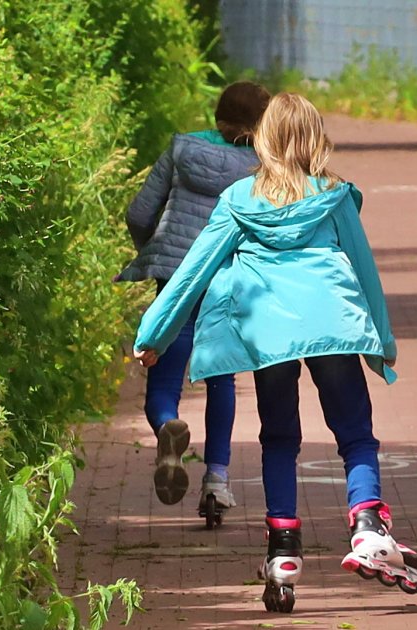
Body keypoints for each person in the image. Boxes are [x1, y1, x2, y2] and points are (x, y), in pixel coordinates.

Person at [131, 93, 417, 610]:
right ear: (317, 139)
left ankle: (283, 551)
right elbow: (365, 271)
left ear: (263, 140)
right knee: (355, 434)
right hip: (332, 325)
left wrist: (153, 336)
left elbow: (191, 273)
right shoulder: (336, 196)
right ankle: (367, 526)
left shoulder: (238, 199)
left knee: (278, 438)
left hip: (268, 333)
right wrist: (382, 342)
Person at [116, 81, 272, 510]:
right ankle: (216, 479)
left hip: (176, 279)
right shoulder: (264, 166)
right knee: (222, 378)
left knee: (163, 373)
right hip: (227, 281)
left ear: (219, 115)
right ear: (262, 124)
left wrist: (156, 251)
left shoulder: (182, 149)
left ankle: (168, 426)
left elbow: (139, 213)